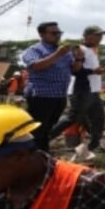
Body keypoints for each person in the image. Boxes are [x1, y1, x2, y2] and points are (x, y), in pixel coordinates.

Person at [47, 26, 105, 157]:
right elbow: (75, 71)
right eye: (97, 35)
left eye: (101, 36)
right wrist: (94, 71)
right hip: (81, 91)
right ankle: (44, 139)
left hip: (93, 91)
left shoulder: (91, 50)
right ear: (86, 36)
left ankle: (94, 145)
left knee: (99, 118)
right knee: (72, 117)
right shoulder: (79, 50)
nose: (100, 38)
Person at [21, 22, 79, 152]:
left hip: (59, 95)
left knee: (48, 127)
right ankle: (32, 153)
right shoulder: (35, 50)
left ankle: (42, 152)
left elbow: (73, 70)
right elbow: (36, 66)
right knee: (38, 128)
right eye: (53, 33)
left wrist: (79, 59)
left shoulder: (64, 52)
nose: (57, 36)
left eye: (59, 33)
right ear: (42, 34)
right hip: (41, 95)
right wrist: (58, 54)